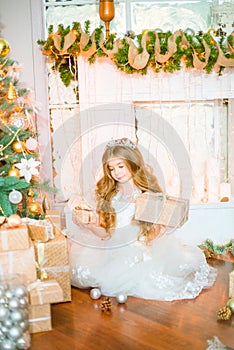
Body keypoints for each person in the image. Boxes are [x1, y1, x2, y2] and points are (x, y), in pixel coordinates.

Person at [66, 138, 216, 301]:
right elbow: (106, 234)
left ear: (133, 163)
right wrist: (88, 226)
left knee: (145, 273)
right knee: (87, 271)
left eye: (121, 166)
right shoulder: (111, 195)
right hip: (114, 247)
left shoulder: (147, 194)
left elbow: (159, 228)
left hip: (142, 246)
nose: (117, 172)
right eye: (111, 168)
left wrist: (152, 234)